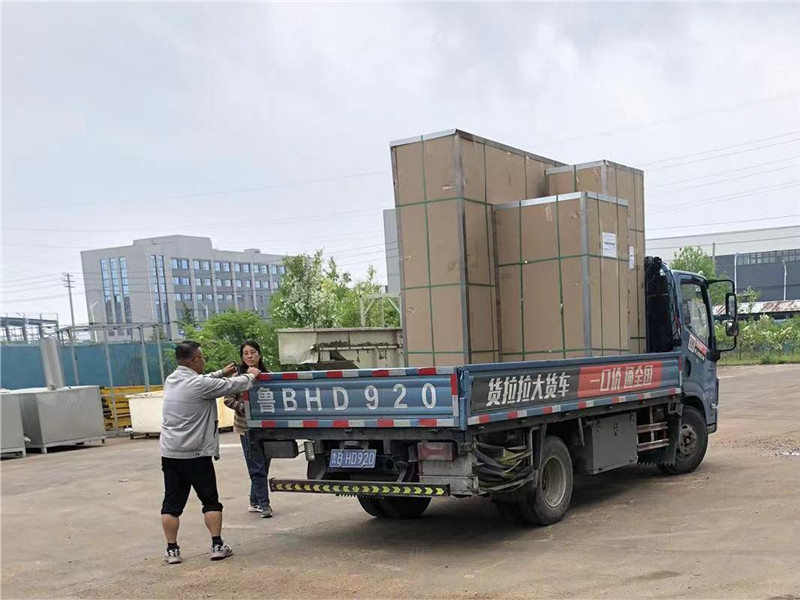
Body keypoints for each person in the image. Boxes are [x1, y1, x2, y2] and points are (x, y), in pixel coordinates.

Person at [160, 340, 260, 565]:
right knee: (210, 501)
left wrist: (220, 372)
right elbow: (233, 386)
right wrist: (251, 374)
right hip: (196, 454)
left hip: (170, 453)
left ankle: (172, 549)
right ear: (195, 360)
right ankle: (217, 544)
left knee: (171, 504)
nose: (204, 361)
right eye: (202, 357)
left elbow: (204, 381)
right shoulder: (199, 385)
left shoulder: (172, 380)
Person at [224, 340, 273, 518]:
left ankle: (254, 501)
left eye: (253, 352)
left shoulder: (268, 375)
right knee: (257, 466)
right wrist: (244, 407)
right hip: (247, 428)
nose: (249, 356)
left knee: (263, 466)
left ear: (259, 354)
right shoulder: (238, 377)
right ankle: (264, 505)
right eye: (245, 353)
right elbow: (228, 399)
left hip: (266, 428)